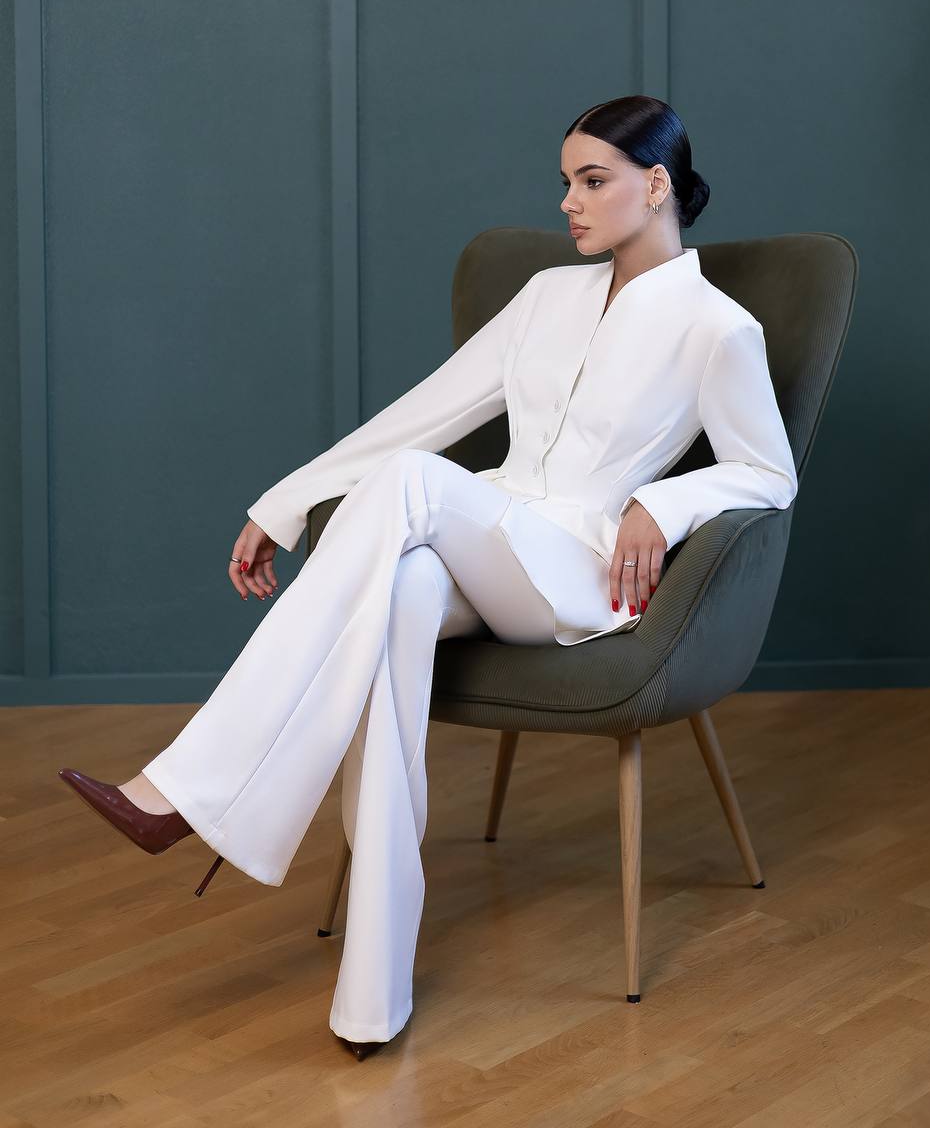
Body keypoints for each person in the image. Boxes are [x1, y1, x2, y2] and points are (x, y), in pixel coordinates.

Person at [57, 94, 798, 1061]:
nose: (568, 202)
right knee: (400, 594)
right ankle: (373, 991)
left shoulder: (717, 327)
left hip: (574, 573)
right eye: (565, 181)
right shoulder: (547, 295)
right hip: (483, 533)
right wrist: (284, 502)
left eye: (593, 180)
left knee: (412, 487)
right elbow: (425, 413)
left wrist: (666, 502)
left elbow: (769, 472)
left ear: (656, 185)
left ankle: (193, 788)